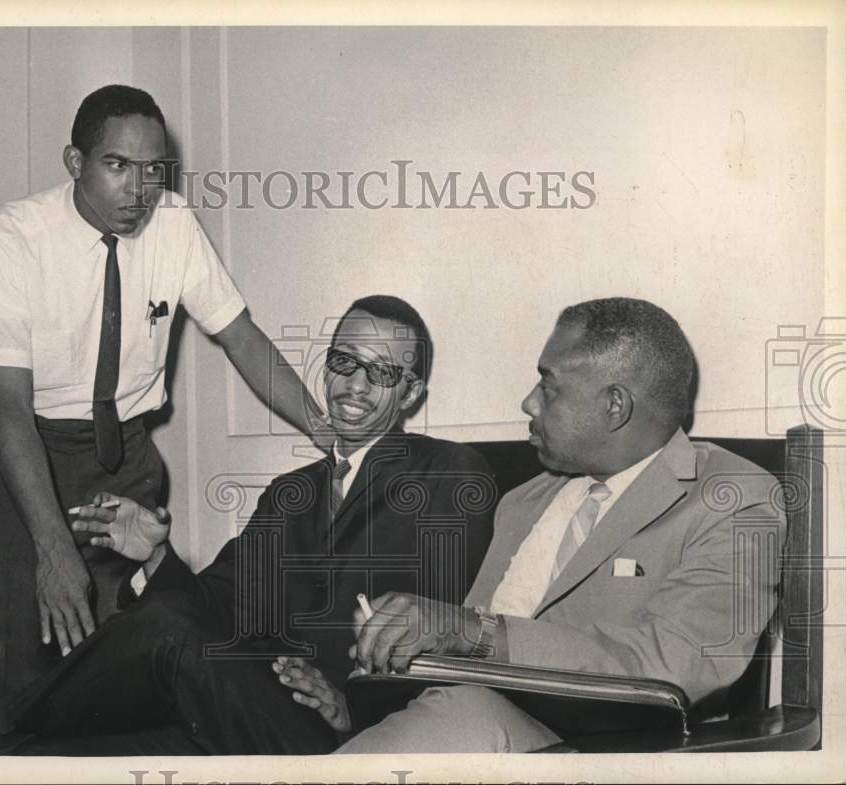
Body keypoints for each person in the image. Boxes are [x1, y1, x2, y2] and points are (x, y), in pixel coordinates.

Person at [0, 294, 495, 756]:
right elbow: (214, 607)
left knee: (167, 627)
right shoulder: (291, 493)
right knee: (37, 762)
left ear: (412, 393)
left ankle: (22, 714)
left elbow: (436, 616)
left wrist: (350, 703)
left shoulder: (448, 472)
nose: (354, 385)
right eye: (344, 362)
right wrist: (155, 557)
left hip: (332, 729)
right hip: (240, 700)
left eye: (382, 373)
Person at [0, 85, 333, 733]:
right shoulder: (6, 240)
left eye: (154, 169)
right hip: (22, 454)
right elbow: (8, 405)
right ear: (75, 162)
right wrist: (52, 546)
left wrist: (328, 432)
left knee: (127, 657)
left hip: (122, 455)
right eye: (116, 165)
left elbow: (241, 337)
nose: (139, 189)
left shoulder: (175, 224)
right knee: (25, 669)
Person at [278, 297, 786, 753]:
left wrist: (468, 630)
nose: (528, 402)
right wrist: (362, 712)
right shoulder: (526, 502)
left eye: (549, 386)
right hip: (463, 728)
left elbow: (673, 663)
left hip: (605, 753)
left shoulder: (732, 498)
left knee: (465, 715)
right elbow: (456, 675)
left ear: (615, 405)